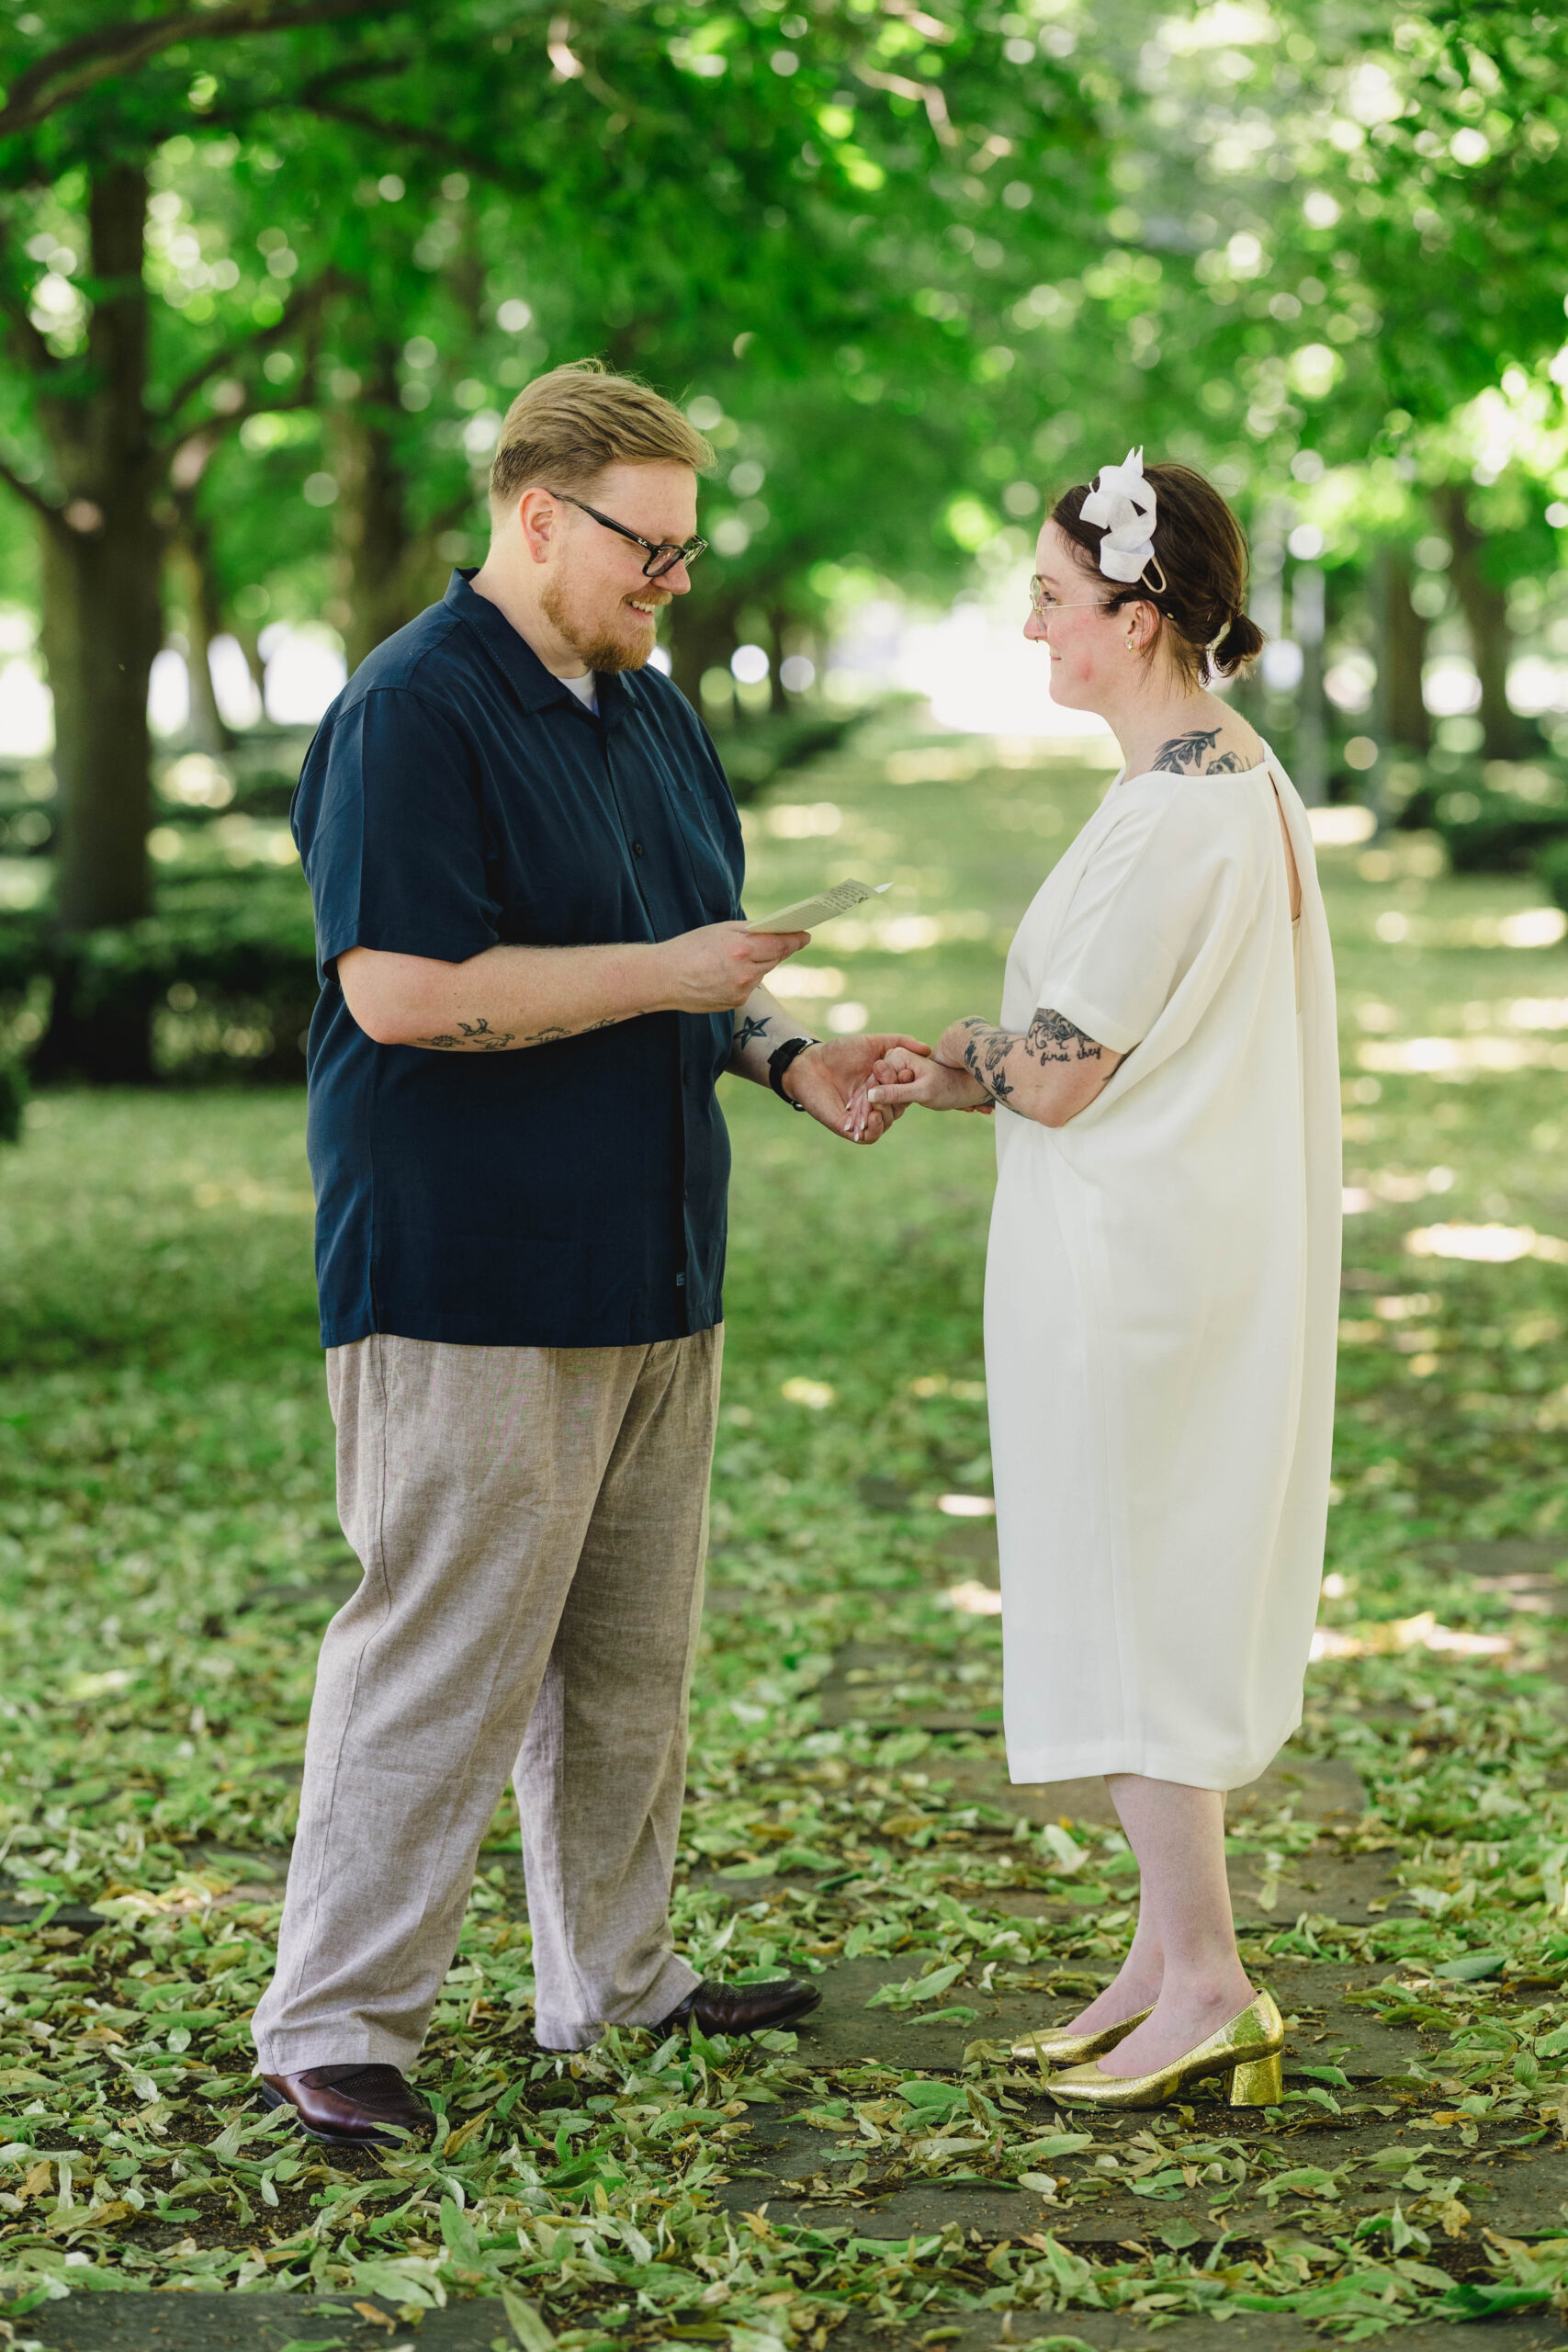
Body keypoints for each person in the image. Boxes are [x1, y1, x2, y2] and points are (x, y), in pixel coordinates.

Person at [252, 360, 928, 2147]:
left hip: (652, 1257)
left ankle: (611, 1981)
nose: (672, 582)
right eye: (648, 546)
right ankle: (332, 2021)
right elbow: (401, 992)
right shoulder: (410, 711)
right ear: (536, 513)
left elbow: (690, 955)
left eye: (690, 552)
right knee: (442, 1651)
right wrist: (671, 975)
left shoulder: (649, 701)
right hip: (466, 1275)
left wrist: (789, 1055)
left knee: (630, 1656)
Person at [862, 451, 1340, 2111]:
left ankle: (1209, 1979)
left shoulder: (1186, 812)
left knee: (1142, 1610)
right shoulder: (1214, 777)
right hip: (1159, 1246)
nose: (1031, 624)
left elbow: (1063, 1069)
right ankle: (1155, 1960)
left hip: (1144, 1270)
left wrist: (960, 1052)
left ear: (1142, 621)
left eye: (1056, 600)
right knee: (1136, 1590)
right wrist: (979, 1062)